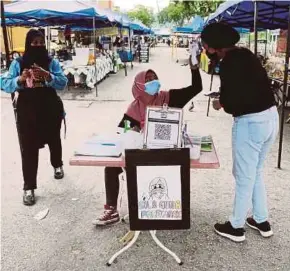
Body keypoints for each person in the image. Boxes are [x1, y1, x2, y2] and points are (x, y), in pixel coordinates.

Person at [92, 58, 202, 226]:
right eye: (148, 79)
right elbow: (125, 132)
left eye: (154, 78)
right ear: (139, 86)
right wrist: (135, 132)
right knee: (111, 167)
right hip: (144, 154)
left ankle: (168, 206)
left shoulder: (169, 97)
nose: (153, 82)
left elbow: (196, 88)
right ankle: (111, 209)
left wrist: (194, 70)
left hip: (167, 152)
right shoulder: (133, 109)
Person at [201, 23, 278, 242]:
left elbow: (232, 102)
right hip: (271, 117)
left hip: (250, 123)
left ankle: (236, 226)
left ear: (215, 47)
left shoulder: (228, 64)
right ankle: (261, 220)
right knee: (256, 171)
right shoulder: (247, 55)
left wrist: (220, 103)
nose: (205, 48)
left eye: (206, 44)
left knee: (244, 175)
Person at [1, 29, 68, 206]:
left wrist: (48, 75)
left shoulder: (51, 62)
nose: (38, 45)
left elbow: (63, 82)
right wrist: (19, 80)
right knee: (28, 148)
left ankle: (57, 164)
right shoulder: (18, 63)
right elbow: (4, 84)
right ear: (28, 43)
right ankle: (29, 187)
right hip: (27, 111)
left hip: (50, 108)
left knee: (54, 139)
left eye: (40, 42)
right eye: (34, 42)